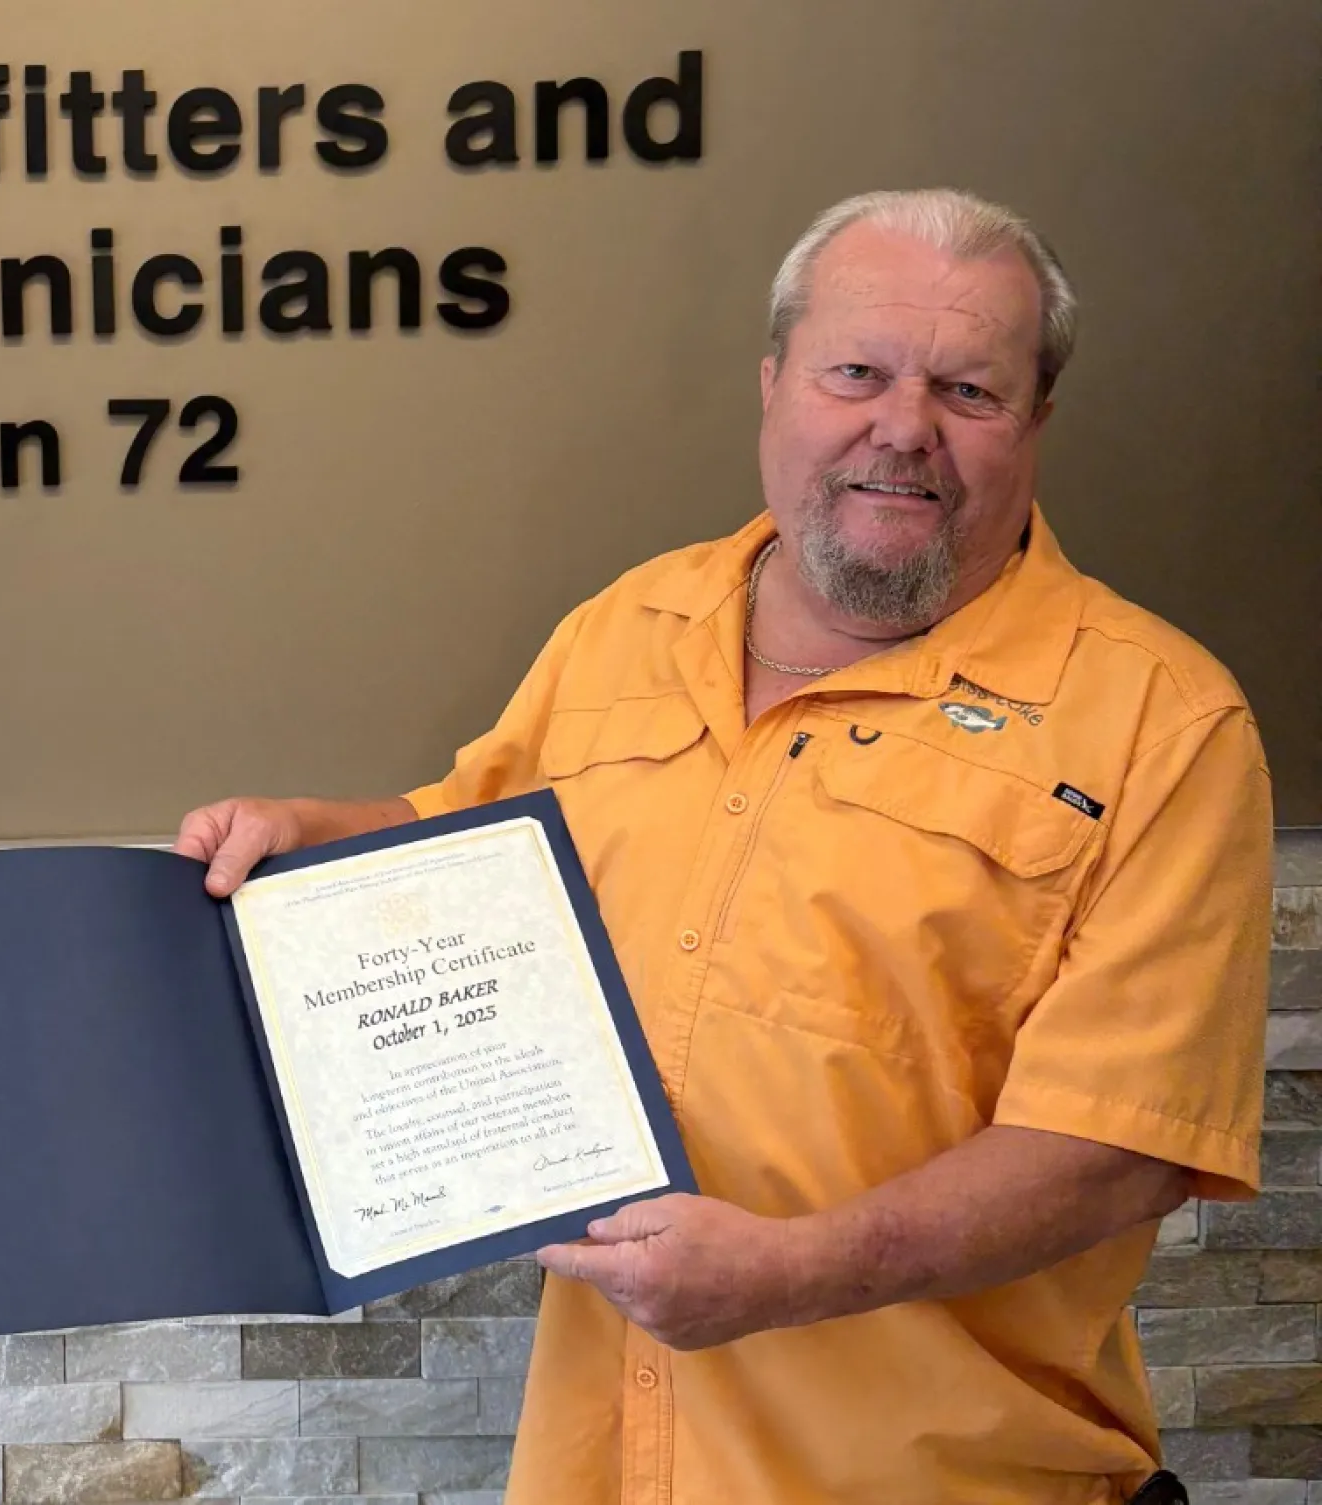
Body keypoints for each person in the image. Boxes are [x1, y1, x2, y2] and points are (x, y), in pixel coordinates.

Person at [175, 188, 1271, 1505]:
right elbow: (469, 848)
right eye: (856, 372)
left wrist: (798, 1273)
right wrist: (312, 840)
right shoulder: (630, 625)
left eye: (968, 391)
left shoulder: (1164, 726)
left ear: (1035, 419)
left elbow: (1113, 1154)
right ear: (774, 384)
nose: (902, 427)